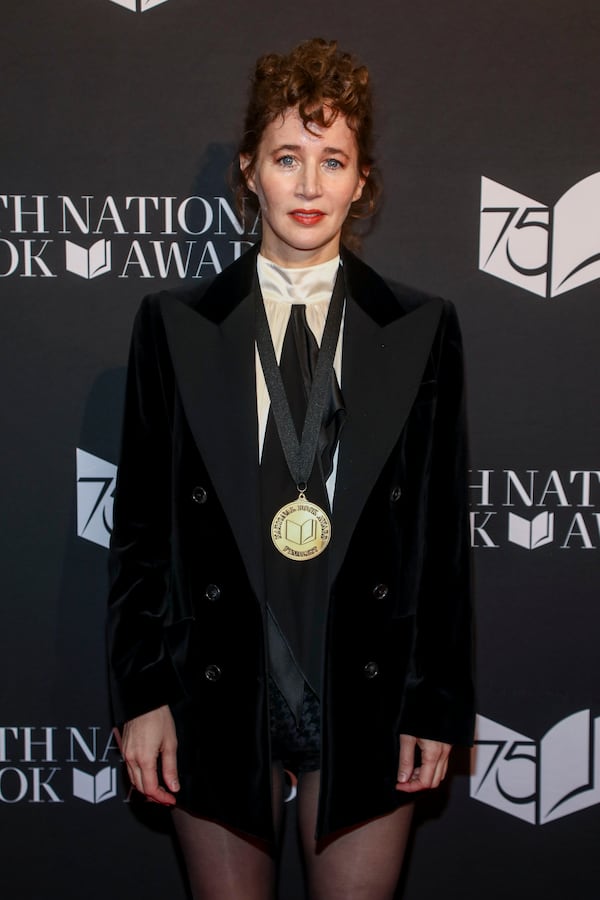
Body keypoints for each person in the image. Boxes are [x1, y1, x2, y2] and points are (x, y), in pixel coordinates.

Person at [107, 37, 474, 900]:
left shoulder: (422, 327)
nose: (309, 186)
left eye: (332, 160)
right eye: (287, 157)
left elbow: (439, 534)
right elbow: (140, 536)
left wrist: (435, 703)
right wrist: (142, 694)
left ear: (362, 180)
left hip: (366, 688)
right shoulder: (172, 323)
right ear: (250, 171)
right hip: (216, 684)